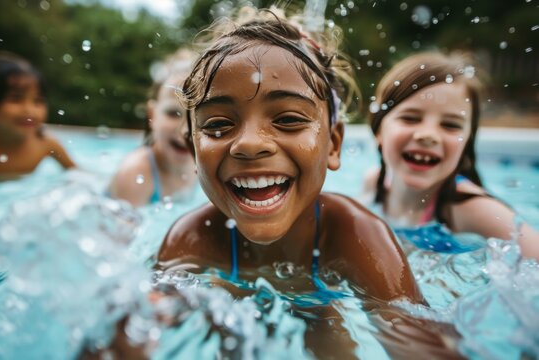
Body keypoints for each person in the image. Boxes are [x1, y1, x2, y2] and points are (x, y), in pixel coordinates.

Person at [155, 7, 459, 358]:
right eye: (217, 125)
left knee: (326, 330)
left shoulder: (356, 236)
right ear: (194, 151)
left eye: (287, 119)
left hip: (320, 306)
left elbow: (419, 341)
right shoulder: (191, 239)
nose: (250, 144)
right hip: (233, 303)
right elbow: (139, 329)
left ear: (333, 143)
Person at [362, 51, 539, 259]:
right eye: (410, 118)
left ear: (466, 142)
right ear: (378, 130)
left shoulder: (472, 209)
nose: (428, 135)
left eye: (450, 125)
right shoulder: (374, 184)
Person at [107, 49, 198, 207]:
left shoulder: (201, 168)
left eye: (197, 117)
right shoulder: (136, 174)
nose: (185, 129)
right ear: (152, 115)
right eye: (173, 113)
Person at [0, 51, 75, 180]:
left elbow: (78, 175)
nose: (29, 110)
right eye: (16, 99)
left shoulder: (45, 144)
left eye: (38, 101)